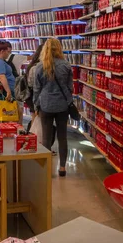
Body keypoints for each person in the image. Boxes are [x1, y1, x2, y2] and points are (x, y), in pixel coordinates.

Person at [33, 38, 73, 177]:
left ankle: (46, 169)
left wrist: (36, 105)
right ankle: (62, 168)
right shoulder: (66, 65)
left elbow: (37, 89)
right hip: (62, 105)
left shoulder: (40, 66)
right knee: (63, 137)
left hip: (45, 105)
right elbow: (70, 87)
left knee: (46, 137)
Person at [25, 43, 45, 122]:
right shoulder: (38, 67)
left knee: (34, 117)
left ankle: (33, 133)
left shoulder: (32, 65)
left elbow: (30, 83)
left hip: (31, 96)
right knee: (40, 119)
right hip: (38, 96)